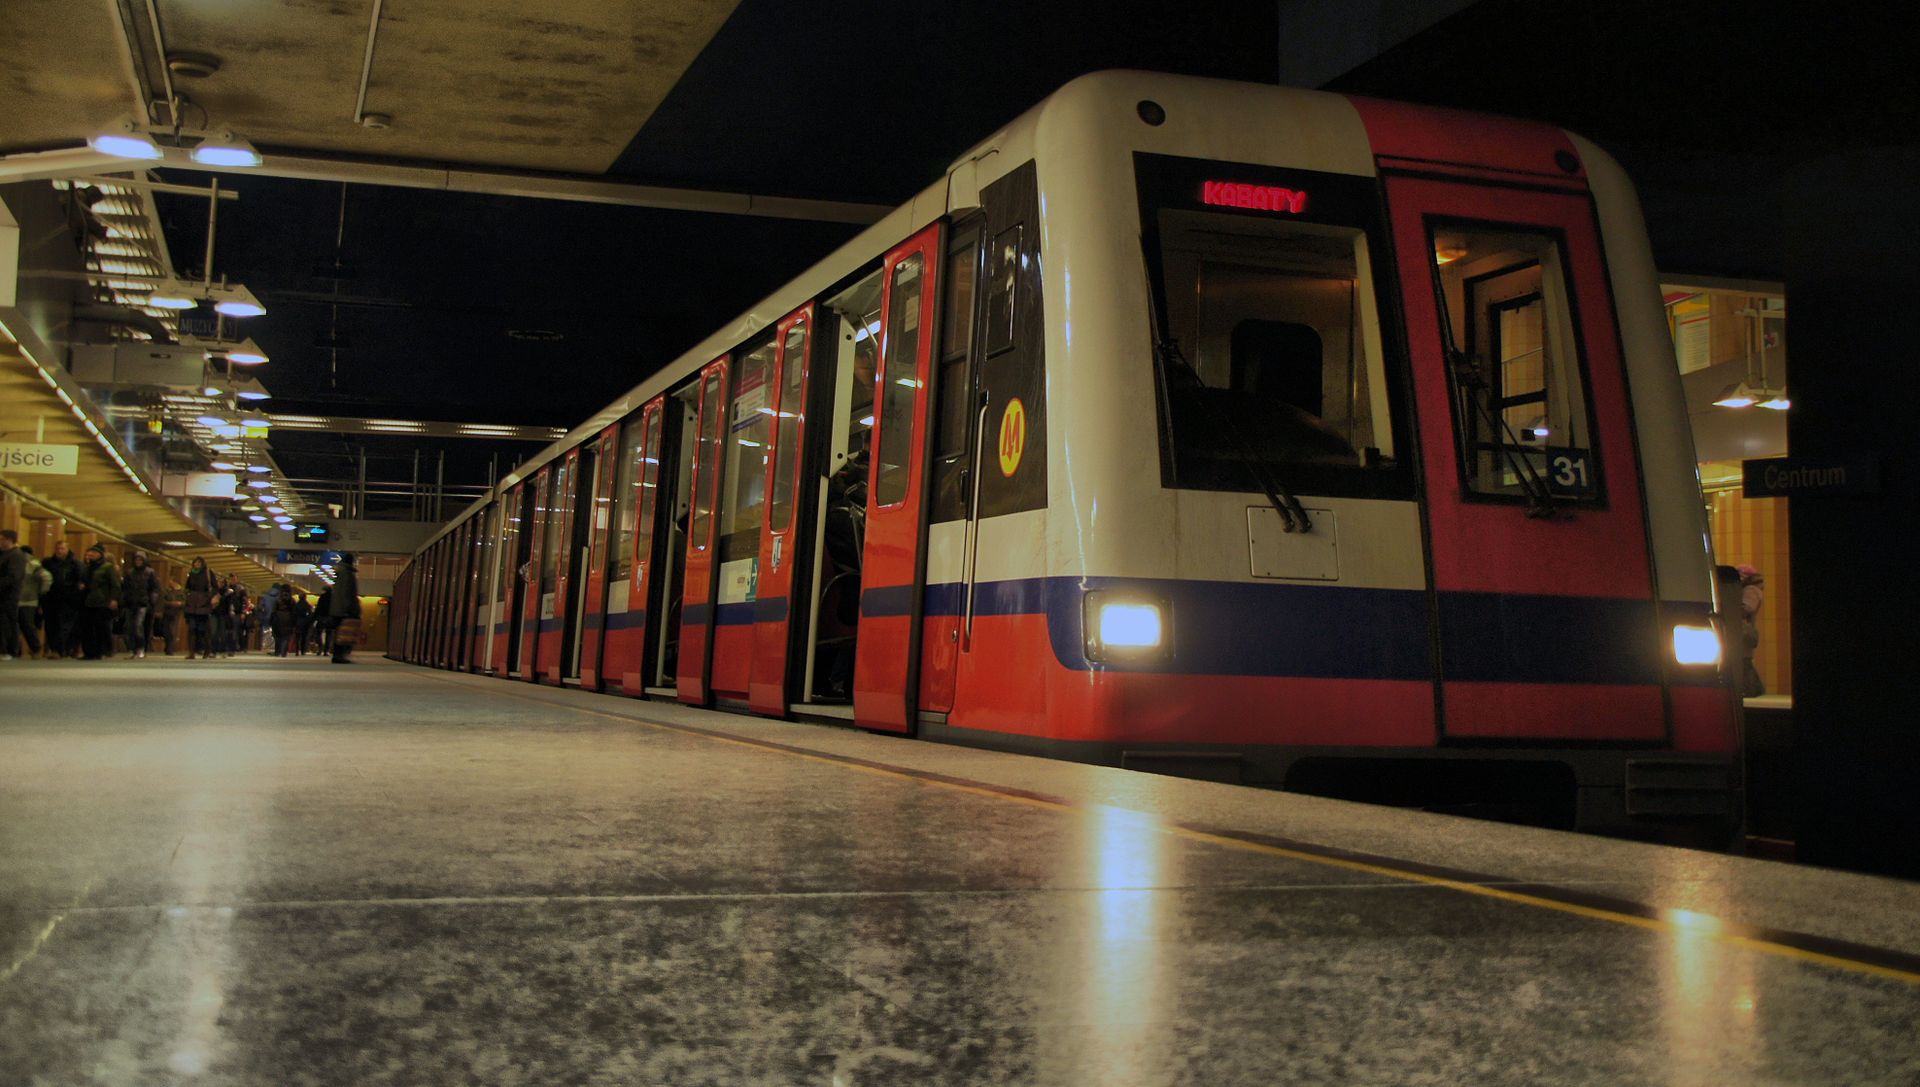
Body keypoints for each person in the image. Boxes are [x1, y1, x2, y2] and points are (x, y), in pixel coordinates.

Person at [41, 540, 84, 658]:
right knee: (51, 624)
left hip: (68, 599)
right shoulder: (47, 563)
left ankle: (60, 649)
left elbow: (80, 579)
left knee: (64, 625)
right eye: (58, 548)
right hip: (51, 598)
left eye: (62, 548)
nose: (59, 551)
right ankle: (55, 648)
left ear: (67, 549)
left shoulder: (75, 564)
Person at [79, 544, 120, 660]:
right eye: (90, 552)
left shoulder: (107, 567)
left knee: (99, 627)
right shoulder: (87, 568)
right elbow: (84, 581)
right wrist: (81, 585)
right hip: (87, 601)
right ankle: (88, 652)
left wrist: (113, 599)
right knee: (87, 627)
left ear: (100, 555)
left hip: (101, 602)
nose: (91, 554)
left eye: (94, 553)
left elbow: (115, 585)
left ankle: (99, 651)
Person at [120, 551, 160, 659]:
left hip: (143, 603)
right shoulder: (129, 572)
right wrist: (123, 600)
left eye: (140, 560)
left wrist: (152, 601)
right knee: (129, 627)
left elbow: (154, 588)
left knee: (138, 626)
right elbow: (125, 588)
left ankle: (141, 648)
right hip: (130, 603)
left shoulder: (150, 572)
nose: (138, 562)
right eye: (136, 559)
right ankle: (131, 649)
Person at [16, 545, 51, 659]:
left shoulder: (31, 564)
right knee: (23, 625)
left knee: (26, 625)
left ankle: (35, 648)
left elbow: (46, 577)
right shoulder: (30, 562)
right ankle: (25, 649)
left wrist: (40, 592)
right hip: (25, 598)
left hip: (27, 600)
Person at [1737, 564, 1766, 698]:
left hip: (1744, 632)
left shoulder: (1751, 590)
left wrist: (1731, 607)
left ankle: (1754, 689)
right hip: (1744, 632)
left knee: (1745, 662)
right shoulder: (1748, 589)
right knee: (1744, 662)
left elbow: (1747, 608)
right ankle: (1754, 689)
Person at [327, 553, 361, 664]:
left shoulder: (340, 572)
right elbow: (347, 592)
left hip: (337, 608)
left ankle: (337, 655)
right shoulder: (346, 573)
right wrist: (349, 608)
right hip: (343, 608)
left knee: (339, 632)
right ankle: (339, 655)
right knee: (344, 632)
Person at [0, 530, 26, 660]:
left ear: (9, 540)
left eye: (2, 539)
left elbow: (13, 576)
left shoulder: (16, 555)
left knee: (8, 622)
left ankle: (10, 650)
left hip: (9, 594)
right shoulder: (4, 554)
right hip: (3, 594)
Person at [184, 557, 213, 659]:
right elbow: (187, 587)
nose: (197, 564)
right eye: (195, 562)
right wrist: (188, 595)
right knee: (192, 628)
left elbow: (214, 587)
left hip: (204, 605)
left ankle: (207, 650)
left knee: (203, 630)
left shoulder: (208, 573)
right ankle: (191, 652)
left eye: (199, 563)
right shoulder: (191, 573)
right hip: (192, 605)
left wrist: (209, 597)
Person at [160, 576, 185, 655]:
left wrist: (180, 604)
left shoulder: (181, 592)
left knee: (172, 631)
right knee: (166, 631)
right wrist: (171, 603)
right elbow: (162, 601)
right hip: (167, 612)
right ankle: (167, 647)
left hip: (176, 613)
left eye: (170, 581)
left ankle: (170, 648)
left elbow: (185, 602)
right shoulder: (166, 591)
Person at [271, 589, 295, 657]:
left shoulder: (278, 600)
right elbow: (294, 612)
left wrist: (271, 621)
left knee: (278, 636)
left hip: (278, 618)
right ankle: (284, 651)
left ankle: (277, 651)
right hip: (289, 619)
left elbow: (273, 611)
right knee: (286, 637)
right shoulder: (292, 600)